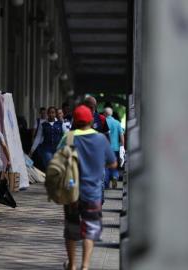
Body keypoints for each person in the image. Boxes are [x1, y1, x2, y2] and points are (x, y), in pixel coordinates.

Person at [58, 105, 117, 270]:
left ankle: (72, 265)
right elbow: (113, 163)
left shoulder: (68, 138)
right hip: (93, 193)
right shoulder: (101, 139)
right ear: (91, 120)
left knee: (71, 228)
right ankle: (85, 266)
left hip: (72, 192)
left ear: (74, 121)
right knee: (89, 229)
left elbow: (59, 161)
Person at [30, 107, 64, 172]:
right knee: (50, 164)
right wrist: (32, 150)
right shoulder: (43, 125)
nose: (51, 114)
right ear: (47, 114)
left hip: (58, 149)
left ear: (55, 114)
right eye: (49, 113)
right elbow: (38, 138)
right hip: (47, 149)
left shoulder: (61, 124)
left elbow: (65, 135)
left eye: (53, 113)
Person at [104, 107, 125, 189]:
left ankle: (106, 183)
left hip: (105, 148)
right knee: (114, 165)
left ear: (105, 114)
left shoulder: (104, 122)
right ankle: (115, 177)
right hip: (115, 148)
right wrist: (122, 147)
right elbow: (121, 136)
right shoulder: (117, 123)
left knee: (106, 166)